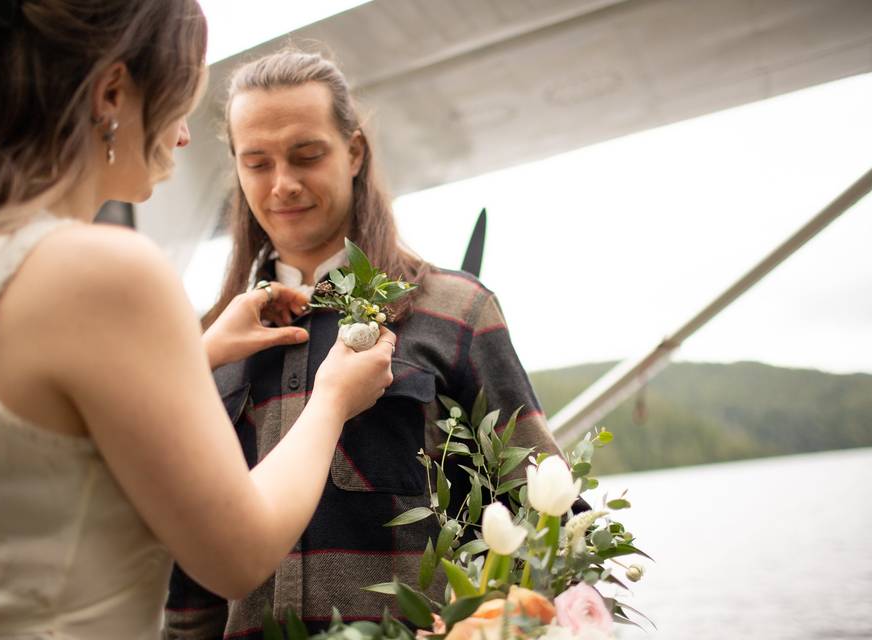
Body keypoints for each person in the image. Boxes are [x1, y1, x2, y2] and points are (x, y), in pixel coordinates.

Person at [0, 3, 394, 639]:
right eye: (182, 99)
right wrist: (332, 398)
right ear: (111, 94)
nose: (183, 136)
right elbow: (238, 556)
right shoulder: (104, 272)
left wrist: (196, 351)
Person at [164, 49, 575, 639]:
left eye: (307, 155)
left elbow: (546, 513)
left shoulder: (457, 311)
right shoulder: (209, 342)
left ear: (354, 151)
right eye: (256, 163)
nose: (283, 184)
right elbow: (191, 568)